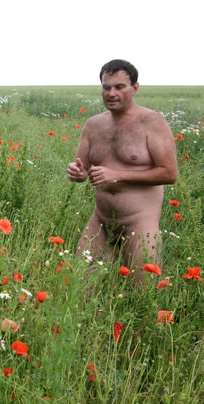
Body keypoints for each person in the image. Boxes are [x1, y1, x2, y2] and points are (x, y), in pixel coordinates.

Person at [67, 59, 177, 283]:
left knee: (142, 295)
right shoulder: (93, 125)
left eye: (119, 87)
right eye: (106, 87)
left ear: (135, 88)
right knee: (81, 288)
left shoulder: (152, 122)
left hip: (139, 223)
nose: (111, 93)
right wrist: (78, 173)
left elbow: (168, 173)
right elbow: (83, 168)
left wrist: (118, 175)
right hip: (100, 221)